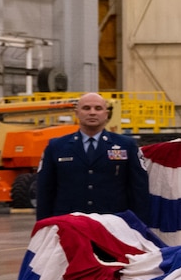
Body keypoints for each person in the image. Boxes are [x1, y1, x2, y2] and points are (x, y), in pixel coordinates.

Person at [34, 92, 151, 223]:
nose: (92, 112)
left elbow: (139, 189)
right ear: (76, 113)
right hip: (69, 225)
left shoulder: (126, 145)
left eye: (98, 108)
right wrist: (43, 226)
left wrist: (139, 226)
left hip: (114, 225)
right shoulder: (56, 147)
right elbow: (44, 190)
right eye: (86, 108)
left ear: (106, 114)